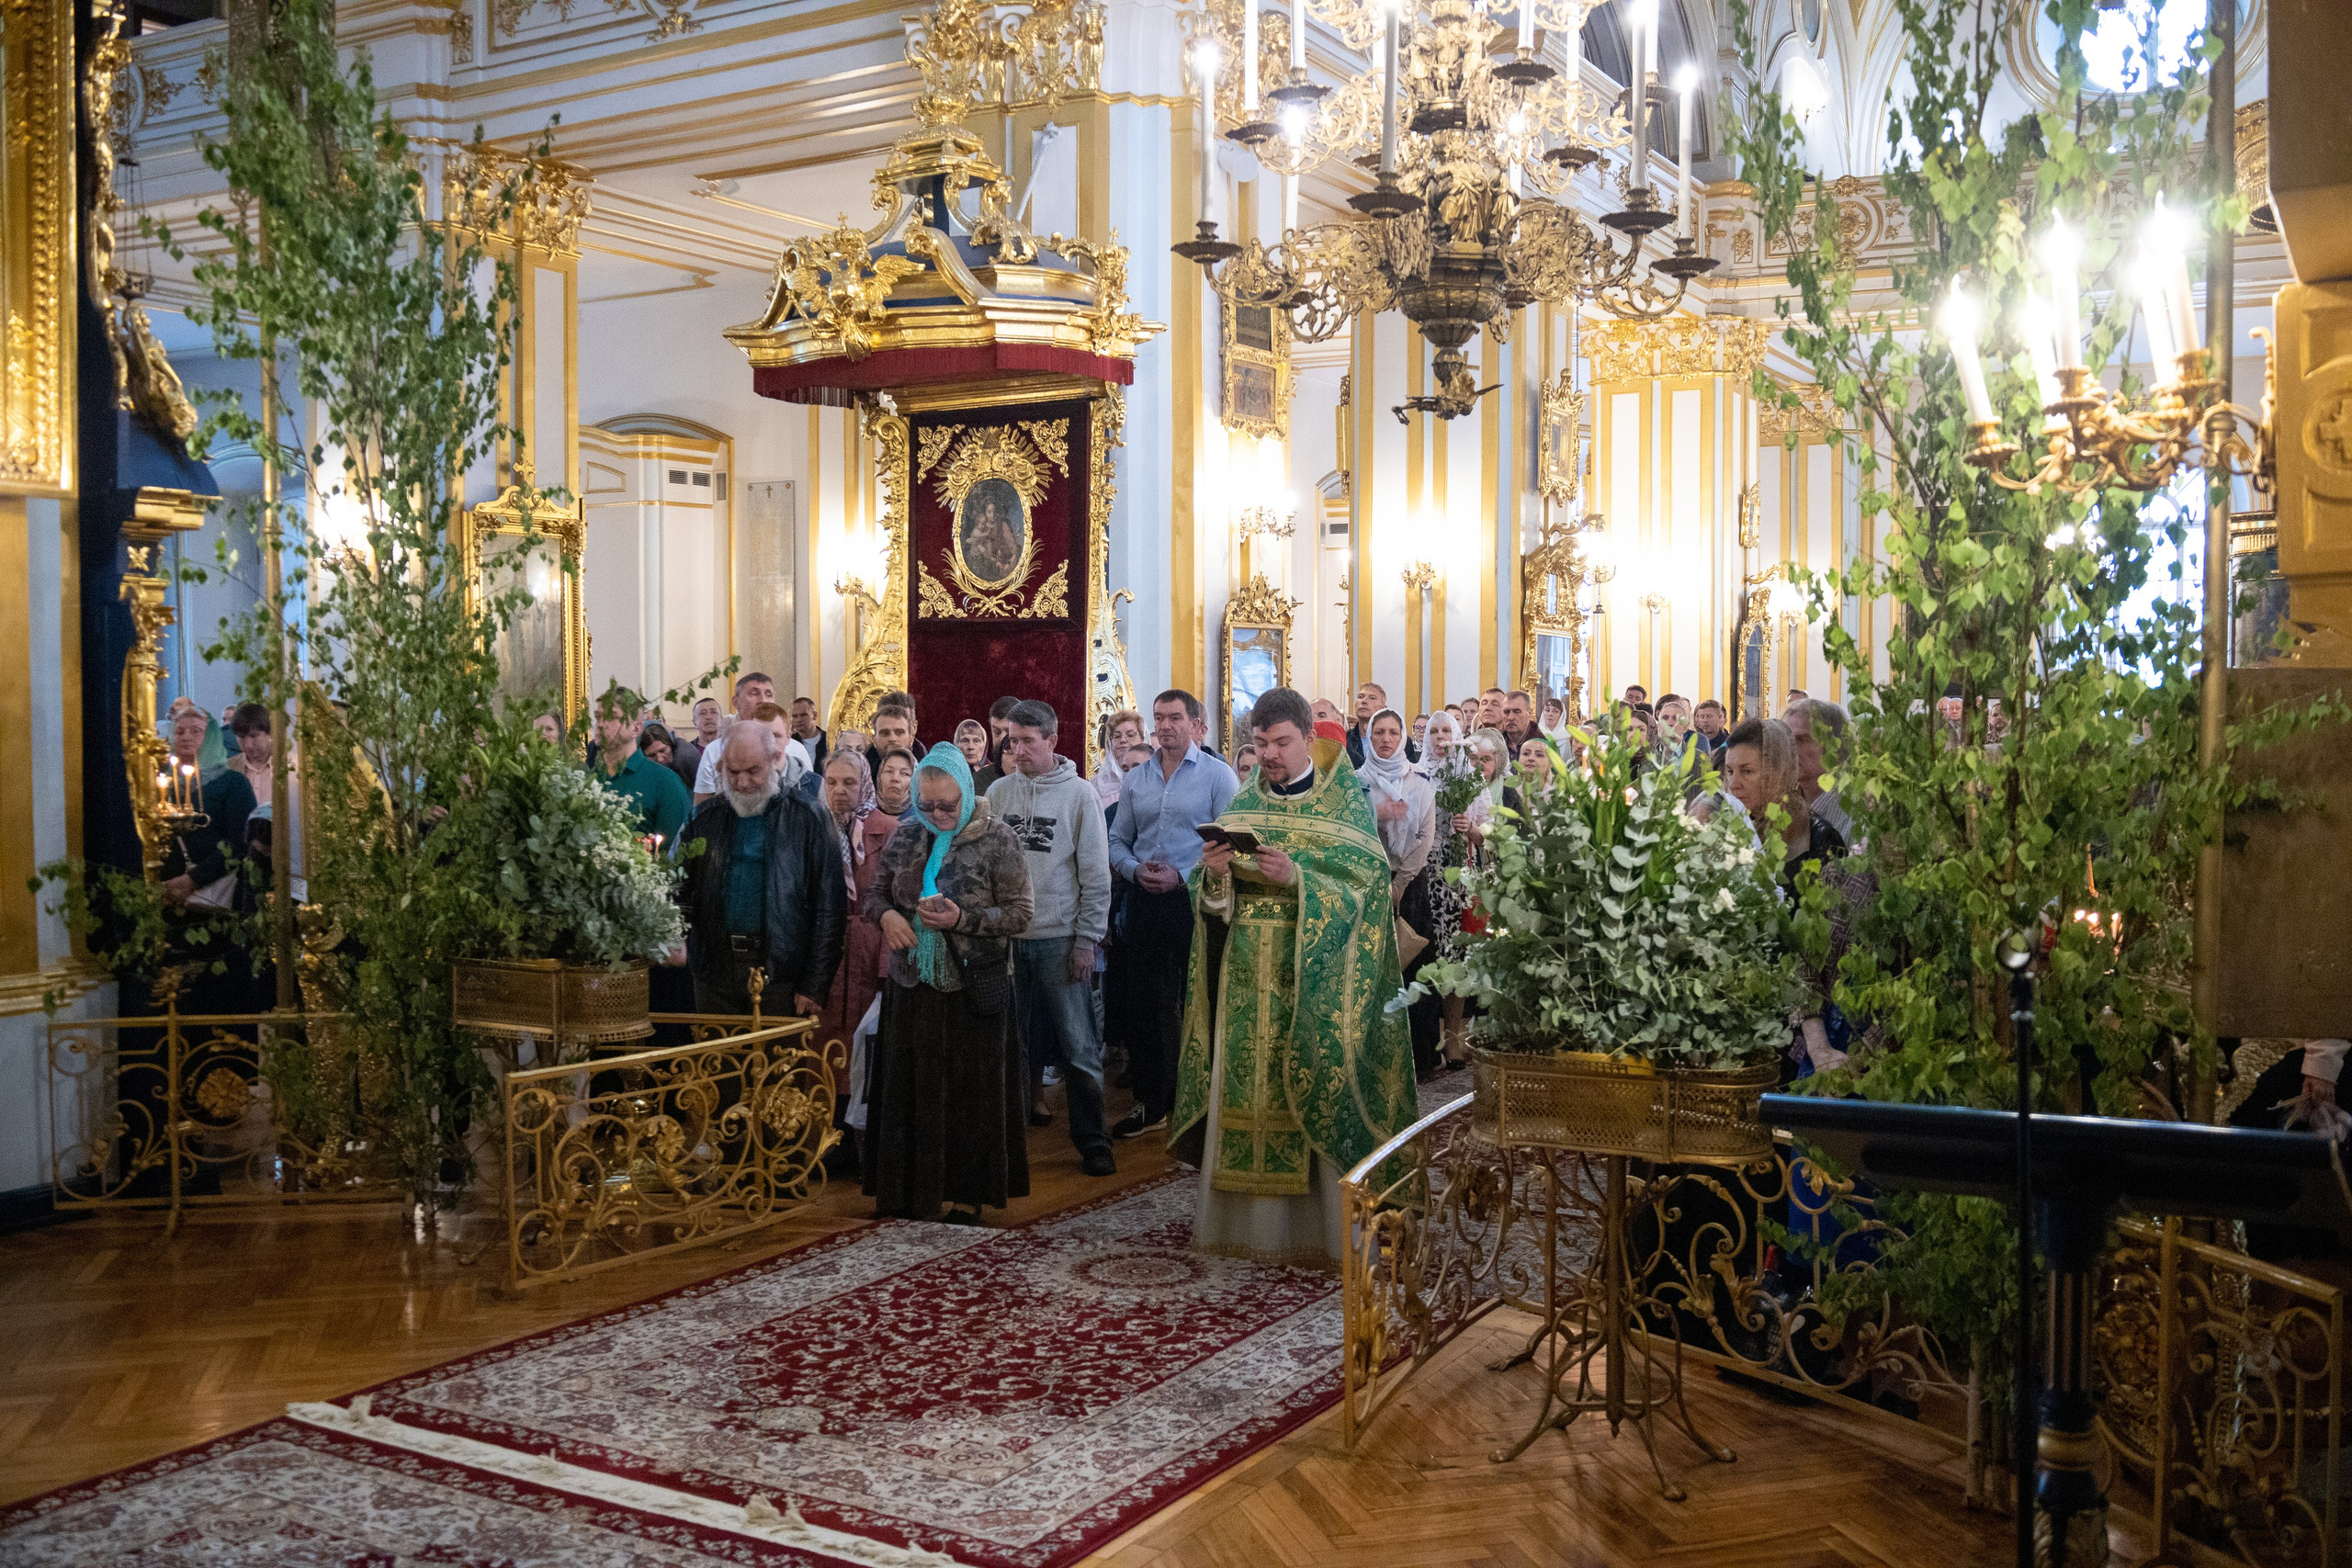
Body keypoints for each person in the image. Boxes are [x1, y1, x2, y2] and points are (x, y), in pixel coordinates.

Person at [1173, 688, 1417, 1268]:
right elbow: (1209, 904)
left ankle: (1320, 1231)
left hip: (1319, 983)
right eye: (1260, 744)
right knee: (1246, 1090)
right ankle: (1246, 1229)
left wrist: (1299, 879)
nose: (1269, 755)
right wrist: (1215, 877)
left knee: (1314, 1081)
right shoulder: (1244, 804)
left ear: (1308, 738)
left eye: (1281, 743)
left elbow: (1366, 892)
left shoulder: (1344, 803)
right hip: (1244, 978)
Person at [864, 743, 1034, 1223]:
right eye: (928, 805)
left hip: (972, 989)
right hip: (911, 984)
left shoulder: (997, 838)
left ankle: (966, 1195)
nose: (937, 815)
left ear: (965, 791)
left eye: (947, 805)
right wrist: (887, 918)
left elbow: (1021, 914)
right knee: (909, 1091)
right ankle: (906, 1191)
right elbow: (874, 896)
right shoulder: (906, 834)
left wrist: (963, 919)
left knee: (968, 1096)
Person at [989, 700, 1117, 1176]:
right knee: (1011, 1046)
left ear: (1052, 741)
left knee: (1078, 1048)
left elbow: (1096, 875)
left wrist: (1087, 940)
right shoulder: (998, 793)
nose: (1017, 750)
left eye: (1027, 741)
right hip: (1007, 939)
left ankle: (1093, 1141)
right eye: (1012, 741)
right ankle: (1006, 1144)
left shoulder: (1080, 795)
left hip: (1060, 939)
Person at [1106, 689, 1240, 1142]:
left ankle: (1204, 1101)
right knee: (1147, 1005)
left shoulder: (1218, 777)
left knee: (1199, 999)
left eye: (1175, 718)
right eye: (1159, 718)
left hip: (1196, 902)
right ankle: (1152, 1101)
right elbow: (1118, 840)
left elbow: (1230, 844)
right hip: (1145, 901)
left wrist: (1182, 876)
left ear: (1195, 724)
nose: (1165, 726)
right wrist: (1134, 869)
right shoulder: (1137, 779)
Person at [671, 722, 845, 1021]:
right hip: (715, 971)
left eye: (753, 771)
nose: (742, 782)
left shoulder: (808, 817)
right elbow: (678, 887)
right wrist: (673, 935)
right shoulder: (704, 818)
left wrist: (815, 984)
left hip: (782, 973)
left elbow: (830, 906)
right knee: (719, 1053)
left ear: (774, 759)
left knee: (778, 1054)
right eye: (733, 772)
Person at [817, 750, 895, 1158]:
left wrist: (886, 972)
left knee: (864, 1048)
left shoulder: (889, 830)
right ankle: (824, 1141)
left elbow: (896, 903)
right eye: (832, 782)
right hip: (827, 953)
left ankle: (864, 1145)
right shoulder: (814, 830)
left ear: (865, 783)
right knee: (822, 1047)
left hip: (869, 951)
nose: (840, 791)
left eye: (849, 783)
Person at [1722, 716, 1845, 890]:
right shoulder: (1728, 829)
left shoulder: (1819, 838)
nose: (1734, 784)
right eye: (1730, 771)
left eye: (1747, 771)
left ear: (1777, 772)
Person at [159, 705, 255, 909]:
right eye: (179, 731)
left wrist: (192, 880)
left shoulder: (233, 783)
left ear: (211, 737)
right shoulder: (160, 783)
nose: (186, 737)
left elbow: (239, 842)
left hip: (212, 894)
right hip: (164, 892)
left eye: (196, 731)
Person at [586, 685, 693, 847]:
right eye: (598, 717)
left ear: (636, 728)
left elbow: (676, 851)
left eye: (612, 717)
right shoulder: (589, 780)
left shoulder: (665, 782)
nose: (601, 724)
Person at [692, 671, 777, 807]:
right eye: (754, 693)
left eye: (769, 695)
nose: (763, 700)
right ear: (736, 702)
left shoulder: (793, 748)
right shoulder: (714, 750)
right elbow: (702, 809)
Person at [1783, 697, 1854, 842]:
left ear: (1834, 746)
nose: (1790, 749)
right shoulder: (1782, 805)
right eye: (1786, 740)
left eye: (1802, 740)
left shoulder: (1853, 812)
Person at [1093, 708, 1145, 815]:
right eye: (1116, 736)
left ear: (1143, 739)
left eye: (1130, 735)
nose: (1123, 740)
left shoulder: (1153, 777)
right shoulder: (1097, 784)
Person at [673, 695, 722, 786]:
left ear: (721, 719)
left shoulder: (730, 748)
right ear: (695, 722)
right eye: (703, 713)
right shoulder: (688, 753)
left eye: (713, 712)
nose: (709, 717)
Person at [867, 702, 917, 777]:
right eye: (885, 733)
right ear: (874, 740)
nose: (892, 739)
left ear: (911, 738)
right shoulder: (860, 777)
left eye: (899, 732)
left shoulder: (926, 776)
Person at [1345, 682, 1386, 767]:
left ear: (1383, 708)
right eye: (1360, 697)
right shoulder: (1345, 740)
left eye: (1372, 698)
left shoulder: (1397, 741)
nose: (1364, 701)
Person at [956, 718, 1001, 794]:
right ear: (957, 745)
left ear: (985, 745)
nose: (971, 747)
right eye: (965, 741)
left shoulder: (996, 772)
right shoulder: (948, 775)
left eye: (976, 741)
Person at [875, 745, 917, 823]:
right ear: (879, 776)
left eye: (905, 773)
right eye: (889, 771)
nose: (895, 778)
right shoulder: (863, 815)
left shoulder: (921, 821)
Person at [789, 695, 830, 774]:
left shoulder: (829, 741)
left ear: (815, 715)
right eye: (795, 716)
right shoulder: (790, 742)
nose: (798, 720)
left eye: (803, 715)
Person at [1691, 698, 1729, 764]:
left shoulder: (1728, 743)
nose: (1705, 720)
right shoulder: (1692, 742)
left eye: (1709, 716)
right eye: (1702, 717)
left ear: (1720, 717)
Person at [1498, 690, 1535, 755]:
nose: (1510, 718)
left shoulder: (1543, 745)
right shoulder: (1495, 745)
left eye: (1517, 712)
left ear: (1529, 714)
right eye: (1506, 712)